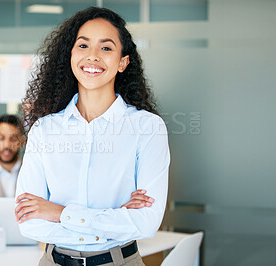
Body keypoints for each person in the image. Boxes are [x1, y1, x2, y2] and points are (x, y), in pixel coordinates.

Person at [15, 7, 170, 266]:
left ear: (123, 62)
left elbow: (145, 224)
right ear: (71, 55)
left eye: (106, 48)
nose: (93, 56)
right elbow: (29, 223)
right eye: (83, 45)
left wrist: (58, 213)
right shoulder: (45, 130)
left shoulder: (147, 128)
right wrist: (114, 220)